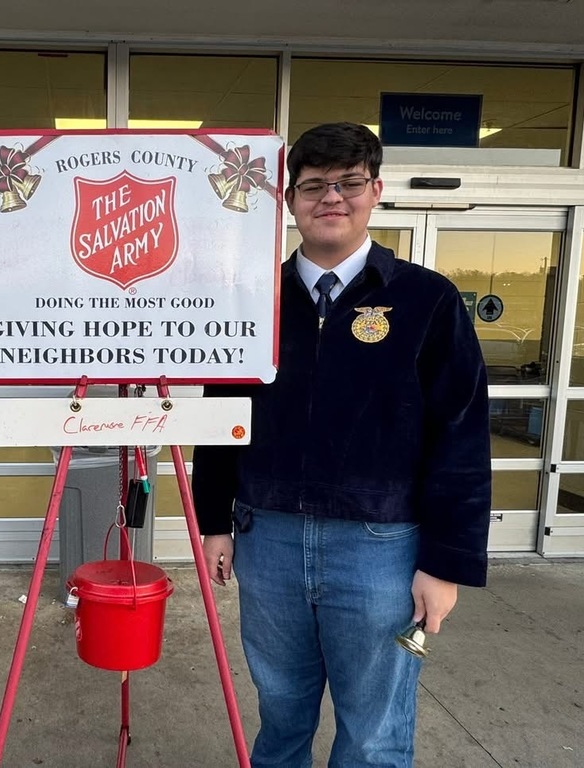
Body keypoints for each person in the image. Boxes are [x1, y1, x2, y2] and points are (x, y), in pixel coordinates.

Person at [191, 123, 490, 767]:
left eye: (350, 183)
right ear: (289, 199)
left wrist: (445, 563)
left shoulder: (425, 300)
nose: (333, 197)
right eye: (315, 185)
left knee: (375, 731)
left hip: (380, 549)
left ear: (375, 191)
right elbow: (221, 419)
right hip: (266, 540)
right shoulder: (251, 300)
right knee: (281, 716)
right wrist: (213, 522)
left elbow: (460, 436)